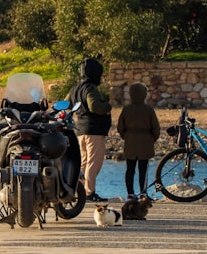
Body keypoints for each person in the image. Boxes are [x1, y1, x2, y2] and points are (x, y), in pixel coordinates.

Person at [68, 57, 112, 202]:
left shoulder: (74, 89)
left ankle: (78, 190)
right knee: (94, 162)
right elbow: (94, 106)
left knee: (84, 162)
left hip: (80, 130)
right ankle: (89, 192)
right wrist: (107, 107)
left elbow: (65, 104)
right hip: (94, 130)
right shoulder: (90, 88)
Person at [116, 82, 161, 199]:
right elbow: (155, 128)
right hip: (145, 140)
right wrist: (152, 139)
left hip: (130, 140)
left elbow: (120, 127)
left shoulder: (127, 109)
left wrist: (126, 136)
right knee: (143, 169)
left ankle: (130, 193)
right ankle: (143, 193)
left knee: (130, 169)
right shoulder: (148, 110)